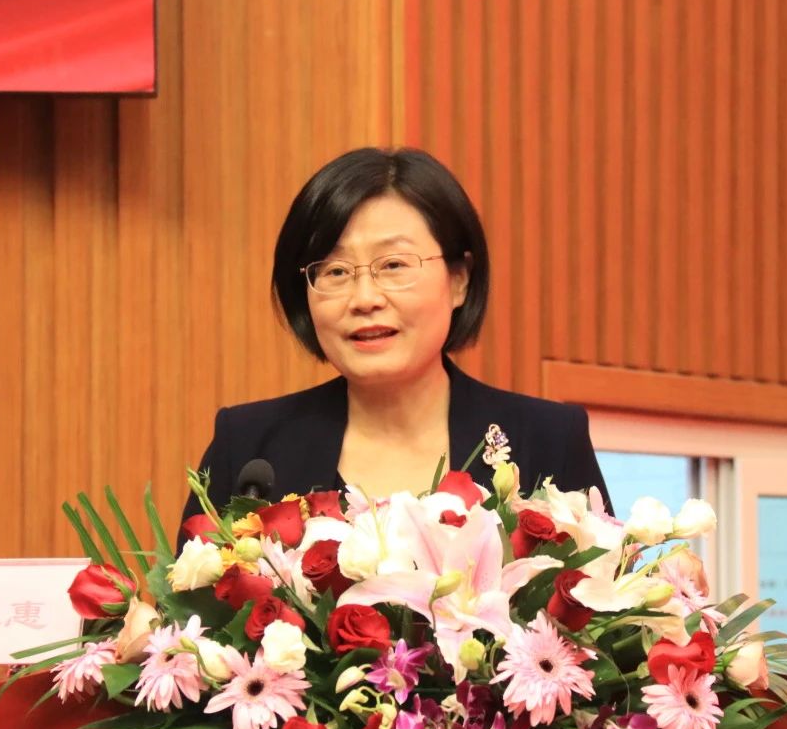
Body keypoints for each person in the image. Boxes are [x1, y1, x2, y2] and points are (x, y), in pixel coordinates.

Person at [182, 147, 611, 522]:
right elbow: (191, 591)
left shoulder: (548, 440)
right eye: (335, 271)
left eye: (393, 265)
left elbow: (606, 588)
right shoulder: (249, 448)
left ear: (459, 279)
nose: (364, 298)